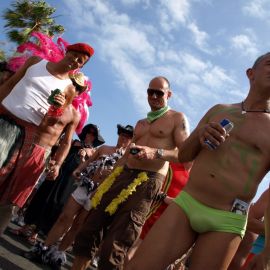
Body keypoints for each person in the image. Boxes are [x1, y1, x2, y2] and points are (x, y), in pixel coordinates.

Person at [126, 53, 270, 270]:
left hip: (227, 220)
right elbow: (184, 156)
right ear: (251, 73)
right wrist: (200, 134)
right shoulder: (219, 110)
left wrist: (267, 254)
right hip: (187, 203)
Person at [71, 76, 190, 270]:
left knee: (117, 242)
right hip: (123, 174)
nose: (153, 96)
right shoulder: (141, 123)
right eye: (150, 91)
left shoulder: (177, 118)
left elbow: (186, 154)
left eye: (159, 93)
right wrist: (107, 181)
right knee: (90, 228)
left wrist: (155, 152)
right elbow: (126, 155)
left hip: (148, 180)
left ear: (168, 94)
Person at [23, 124, 134, 269]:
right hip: (85, 186)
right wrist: (78, 169)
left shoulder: (128, 160)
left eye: (128, 136)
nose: (123, 138)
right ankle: (43, 248)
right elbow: (89, 161)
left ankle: (57, 254)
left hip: (99, 194)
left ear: (131, 140)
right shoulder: (104, 148)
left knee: (78, 226)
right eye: (122, 134)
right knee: (64, 217)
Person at [0, 71, 90, 235]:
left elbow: (66, 142)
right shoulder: (46, 95)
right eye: (73, 84)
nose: (74, 88)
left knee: (15, 197)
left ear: (80, 93)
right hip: (19, 140)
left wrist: (57, 164)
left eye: (78, 88)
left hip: (40, 153)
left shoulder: (73, 114)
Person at [9, 123, 105, 243]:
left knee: (53, 204)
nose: (89, 135)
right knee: (41, 197)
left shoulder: (93, 153)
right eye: (88, 132)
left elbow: (88, 169)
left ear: (95, 138)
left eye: (92, 134)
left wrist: (84, 157)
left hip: (69, 181)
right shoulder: (74, 142)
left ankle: (35, 233)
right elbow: (60, 152)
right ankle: (24, 228)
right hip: (57, 174)